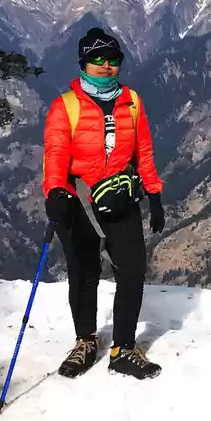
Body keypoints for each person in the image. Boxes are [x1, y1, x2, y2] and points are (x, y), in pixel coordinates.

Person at [42, 26, 166, 380]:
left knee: (132, 270)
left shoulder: (132, 101)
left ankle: (123, 348)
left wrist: (154, 193)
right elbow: (55, 153)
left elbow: (143, 151)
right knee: (84, 273)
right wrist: (54, 191)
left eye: (113, 60)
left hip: (120, 197)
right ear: (84, 63)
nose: (107, 66)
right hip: (77, 199)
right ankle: (85, 341)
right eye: (99, 60)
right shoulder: (65, 106)